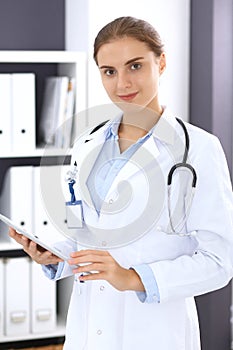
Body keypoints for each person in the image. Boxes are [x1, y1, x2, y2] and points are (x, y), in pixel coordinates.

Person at [9, 16, 233, 350]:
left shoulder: (198, 149)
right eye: (109, 71)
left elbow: (219, 261)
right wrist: (57, 255)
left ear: (162, 62)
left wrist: (132, 277)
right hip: (88, 327)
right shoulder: (88, 143)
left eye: (135, 66)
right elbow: (82, 232)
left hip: (155, 331)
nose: (122, 83)